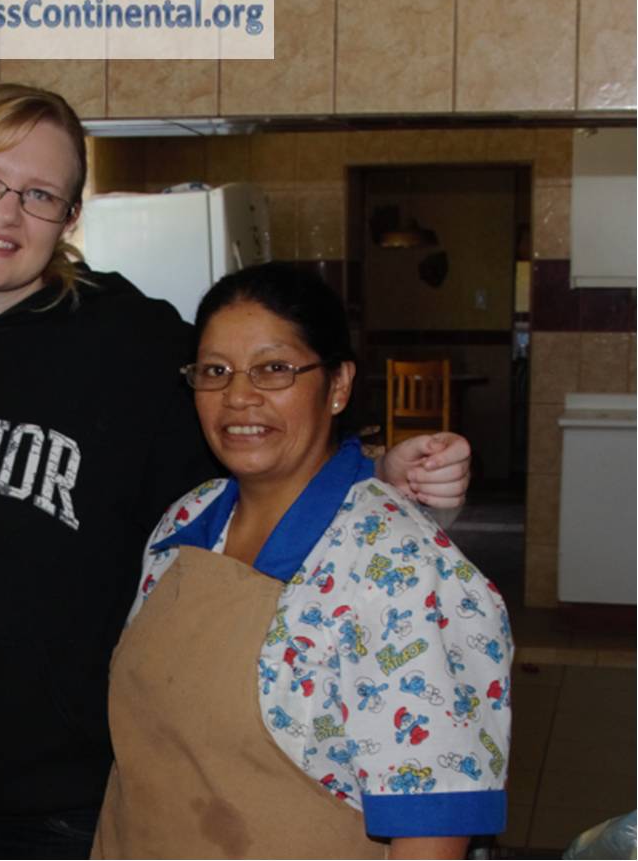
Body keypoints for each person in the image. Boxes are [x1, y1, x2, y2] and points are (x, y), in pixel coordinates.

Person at [0, 82, 475, 858]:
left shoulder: (132, 341)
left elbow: (254, 432)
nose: (6, 212)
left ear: (70, 216)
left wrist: (376, 468)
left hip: (66, 808)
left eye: (40, 194)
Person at [92, 262, 510, 858]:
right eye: (215, 371)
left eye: (274, 368)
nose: (238, 396)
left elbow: (432, 826)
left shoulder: (396, 566)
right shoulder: (185, 522)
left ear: (337, 385)